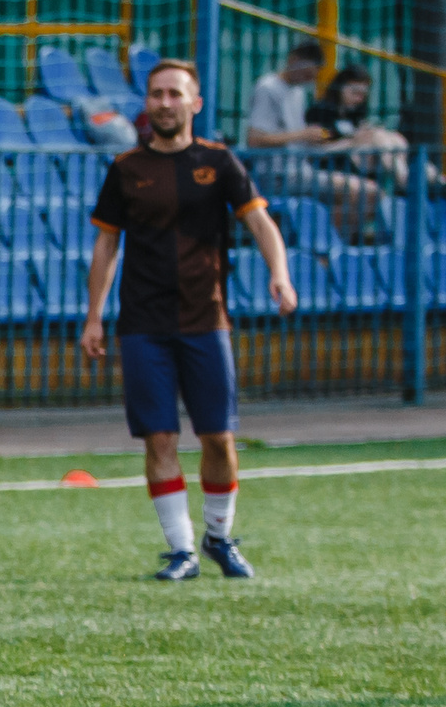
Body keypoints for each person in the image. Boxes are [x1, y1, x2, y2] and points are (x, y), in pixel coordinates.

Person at [81, 58, 297, 580]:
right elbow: (107, 244)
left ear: (194, 103)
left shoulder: (220, 163)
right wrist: (93, 316)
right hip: (142, 325)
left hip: (207, 320)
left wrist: (280, 274)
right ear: (147, 103)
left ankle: (219, 537)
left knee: (218, 437)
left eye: (175, 94)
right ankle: (182, 551)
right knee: (159, 438)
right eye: (156, 94)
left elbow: (260, 223)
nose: (165, 102)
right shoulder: (127, 169)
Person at [246, 40, 380, 238]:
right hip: (277, 174)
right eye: (307, 72)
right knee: (362, 192)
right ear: (293, 60)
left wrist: (318, 139)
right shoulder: (268, 88)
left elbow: (296, 139)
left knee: (371, 193)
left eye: (313, 74)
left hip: (301, 169)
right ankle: (324, 247)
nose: (310, 78)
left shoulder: (299, 92)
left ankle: (326, 244)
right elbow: (254, 139)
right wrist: (302, 134)